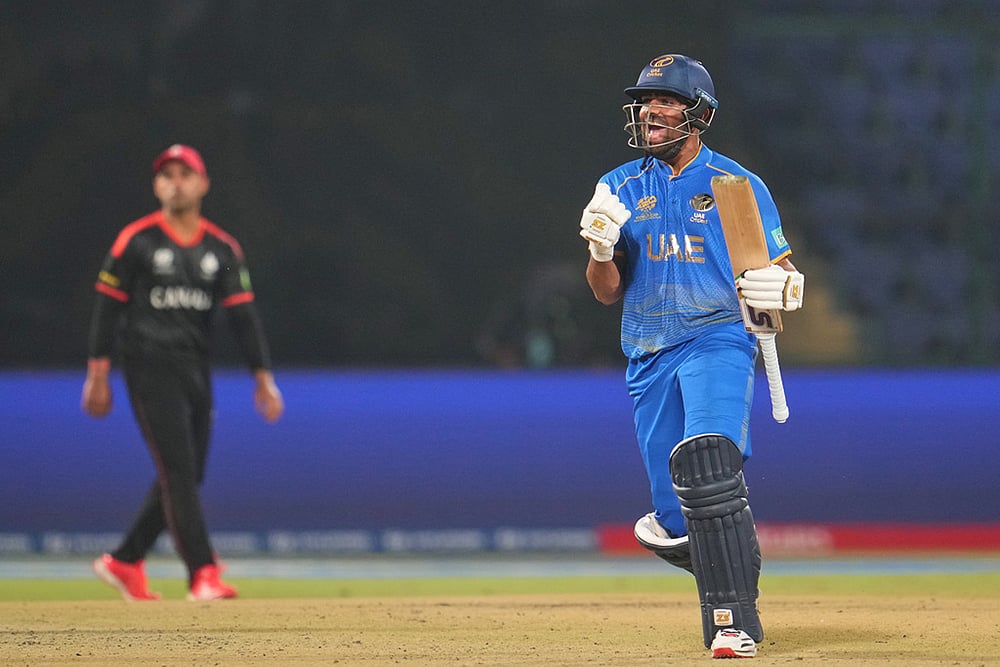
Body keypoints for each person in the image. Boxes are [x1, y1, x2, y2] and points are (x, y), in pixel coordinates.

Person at [578, 55, 804, 659]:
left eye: (667, 100)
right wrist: (601, 248)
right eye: (645, 100)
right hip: (648, 351)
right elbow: (606, 291)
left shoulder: (735, 184)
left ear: (699, 113)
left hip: (719, 338)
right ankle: (733, 557)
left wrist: (780, 287)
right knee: (675, 515)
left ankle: (732, 623)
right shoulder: (619, 185)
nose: (651, 110)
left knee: (708, 460)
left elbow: (775, 269)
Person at [82, 144, 284, 601]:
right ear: (156, 186)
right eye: (167, 175)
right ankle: (202, 572)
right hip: (148, 365)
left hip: (195, 368)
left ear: (203, 184)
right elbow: (107, 309)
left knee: (186, 476)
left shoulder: (223, 248)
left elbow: (243, 317)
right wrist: (98, 373)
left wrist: (263, 378)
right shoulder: (136, 241)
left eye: (185, 174)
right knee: (178, 469)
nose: (176, 182)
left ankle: (126, 559)